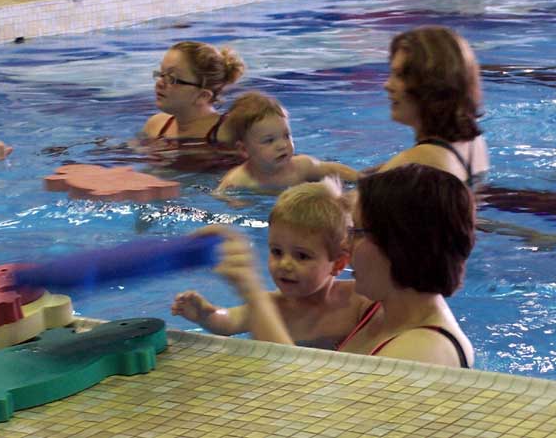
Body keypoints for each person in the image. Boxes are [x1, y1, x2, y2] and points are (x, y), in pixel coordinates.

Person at [207, 164, 476, 368]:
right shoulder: (381, 313)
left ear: (398, 246)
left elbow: (304, 406)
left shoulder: (422, 352)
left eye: (356, 232)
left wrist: (253, 294)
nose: (345, 247)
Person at [172, 178, 363, 349]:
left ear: (338, 263)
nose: (285, 264)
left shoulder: (356, 300)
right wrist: (206, 314)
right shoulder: (272, 306)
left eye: (302, 256)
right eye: (277, 252)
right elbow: (229, 322)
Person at [374, 26, 490, 188]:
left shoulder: (415, 163)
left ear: (431, 86)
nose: (387, 85)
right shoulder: (474, 142)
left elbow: (344, 210)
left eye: (399, 75)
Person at [215, 92, 361, 194]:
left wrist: (362, 180)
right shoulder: (238, 181)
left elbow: (332, 169)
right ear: (244, 149)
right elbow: (221, 200)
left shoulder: (301, 166)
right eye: (269, 141)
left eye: (286, 135)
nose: (282, 145)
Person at [137, 41, 246, 171]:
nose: (160, 83)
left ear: (203, 96)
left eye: (172, 78)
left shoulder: (229, 132)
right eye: (161, 74)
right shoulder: (156, 126)